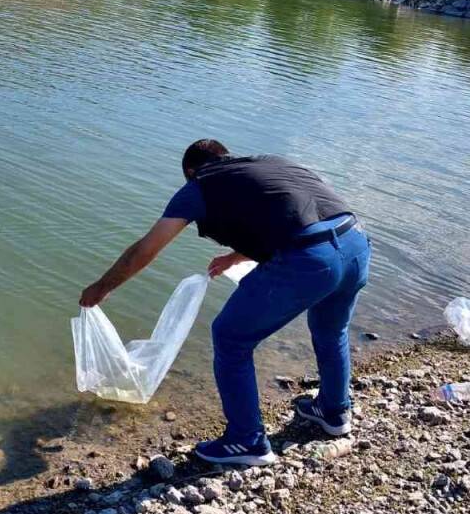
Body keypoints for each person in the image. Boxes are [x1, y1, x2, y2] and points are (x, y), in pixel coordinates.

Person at [79, 139, 371, 466]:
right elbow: (293, 213)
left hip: (312, 259)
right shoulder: (269, 162)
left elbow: (147, 248)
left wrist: (102, 287)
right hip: (356, 243)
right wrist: (236, 256)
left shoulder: (200, 185)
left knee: (230, 337)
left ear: (191, 171)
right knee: (331, 331)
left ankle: (246, 441)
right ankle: (334, 412)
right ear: (226, 156)